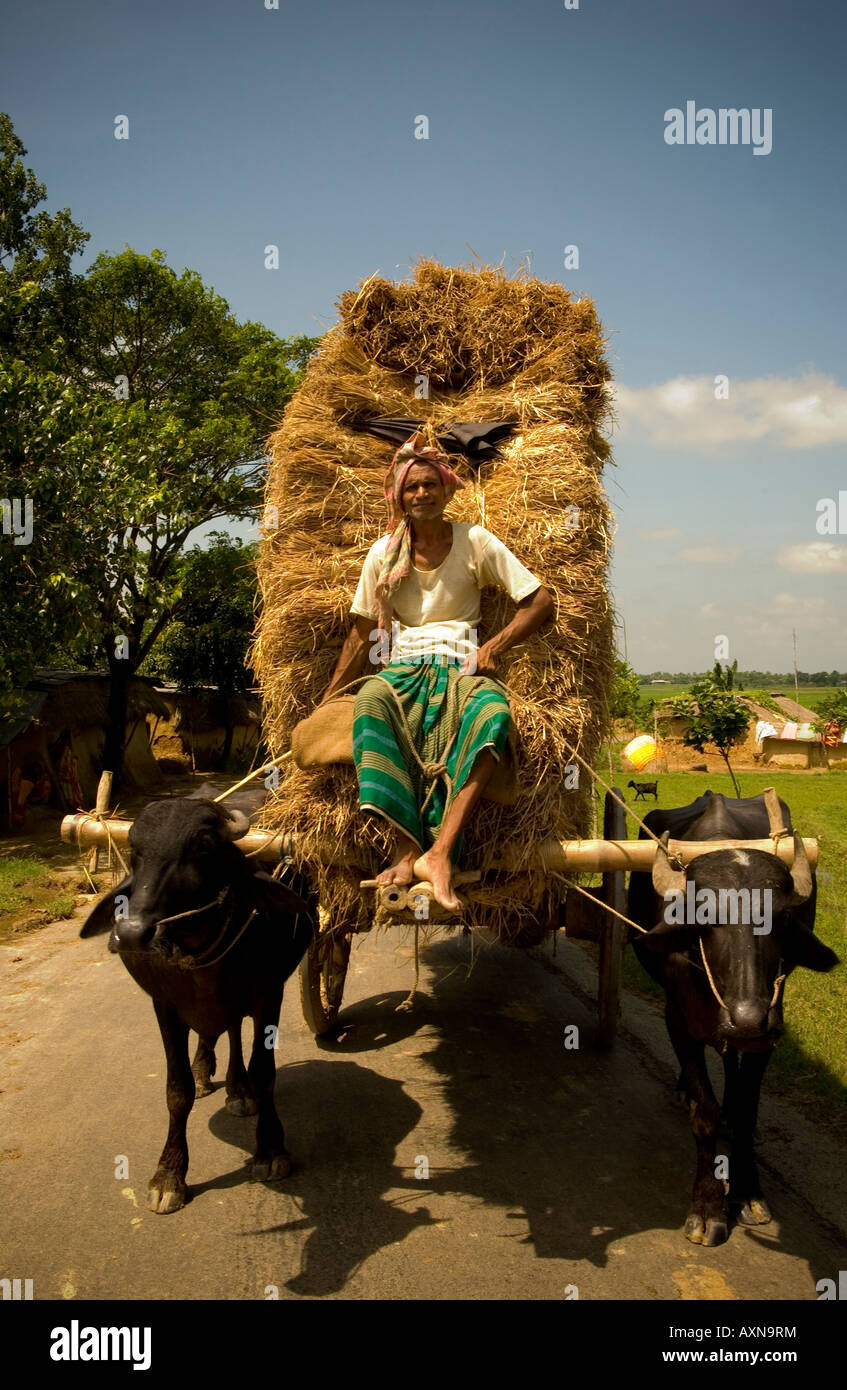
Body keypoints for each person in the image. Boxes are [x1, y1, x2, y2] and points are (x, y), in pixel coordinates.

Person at [319, 431, 554, 911]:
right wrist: (329, 695)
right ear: (399, 498)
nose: (422, 494)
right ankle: (407, 848)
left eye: (430, 485)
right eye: (411, 488)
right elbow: (363, 634)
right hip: (402, 666)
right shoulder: (383, 554)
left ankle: (441, 853)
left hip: (460, 665)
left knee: (492, 715)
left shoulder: (475, 541)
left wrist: (495, 644)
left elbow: (540, 601)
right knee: (369, 703)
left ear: (447, 490)